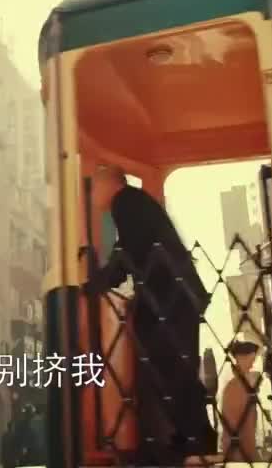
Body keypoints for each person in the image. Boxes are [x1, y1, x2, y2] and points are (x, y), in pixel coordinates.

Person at [84, 165, 215, 460]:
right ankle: (190, 435)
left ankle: (194, 439)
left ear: (108, 184)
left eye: (95, 188)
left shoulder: (126, 202)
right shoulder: (134, 203)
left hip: (169, 300)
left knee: (170, 366)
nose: (93, 196)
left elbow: (129, 250)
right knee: (176, 365)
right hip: (174, 297)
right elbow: (131, 249)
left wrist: (99, 282)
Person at [220, 340, 263, 463]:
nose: (252, 366)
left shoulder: (236, 386)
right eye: (251, 361)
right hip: (239, 455)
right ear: (240, 359)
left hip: (242, 453)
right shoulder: (236, 388)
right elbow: (241, 429)